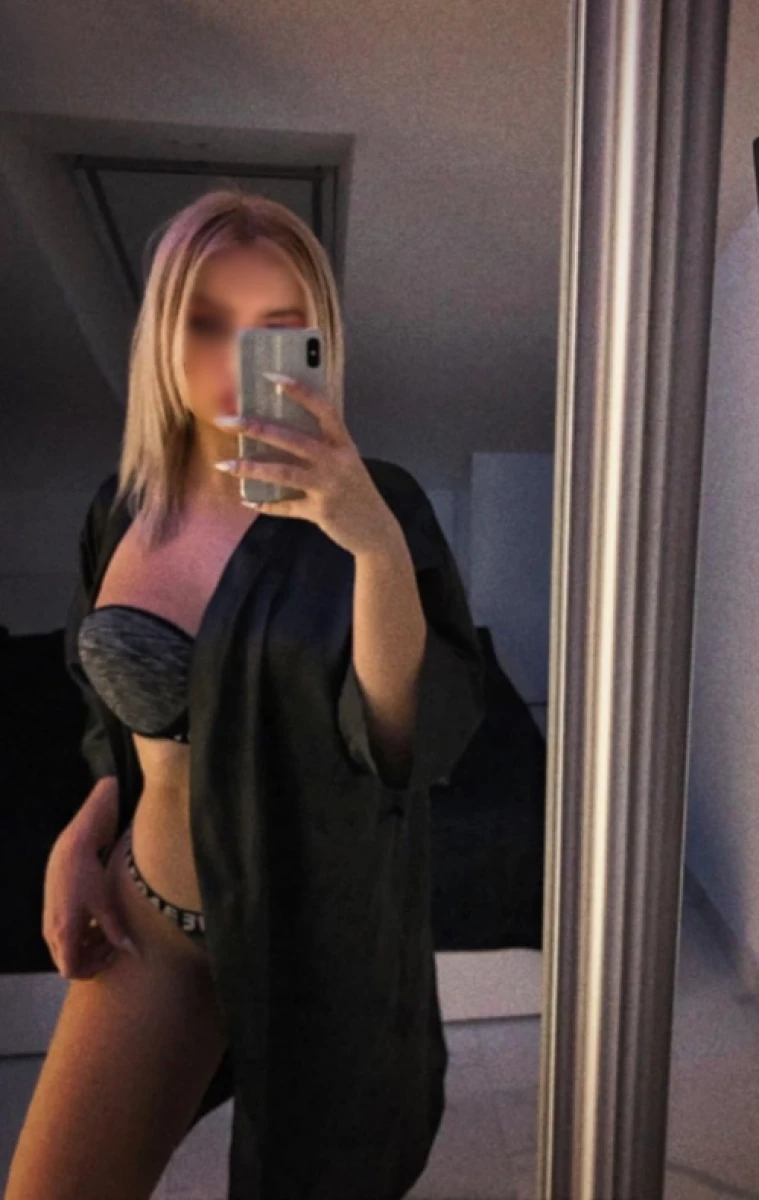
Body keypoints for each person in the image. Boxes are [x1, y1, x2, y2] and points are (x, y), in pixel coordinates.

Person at [5, 188, 486, 1200]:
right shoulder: (120, 508)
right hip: (150, 924)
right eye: (206, 324)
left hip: (314, 953)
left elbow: (406, 740)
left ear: (317, 342)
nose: (234, 361)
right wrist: (84, 831)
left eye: (273, 328)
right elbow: (107, 715)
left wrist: (370, 544)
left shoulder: (382, 502)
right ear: (161, 336)